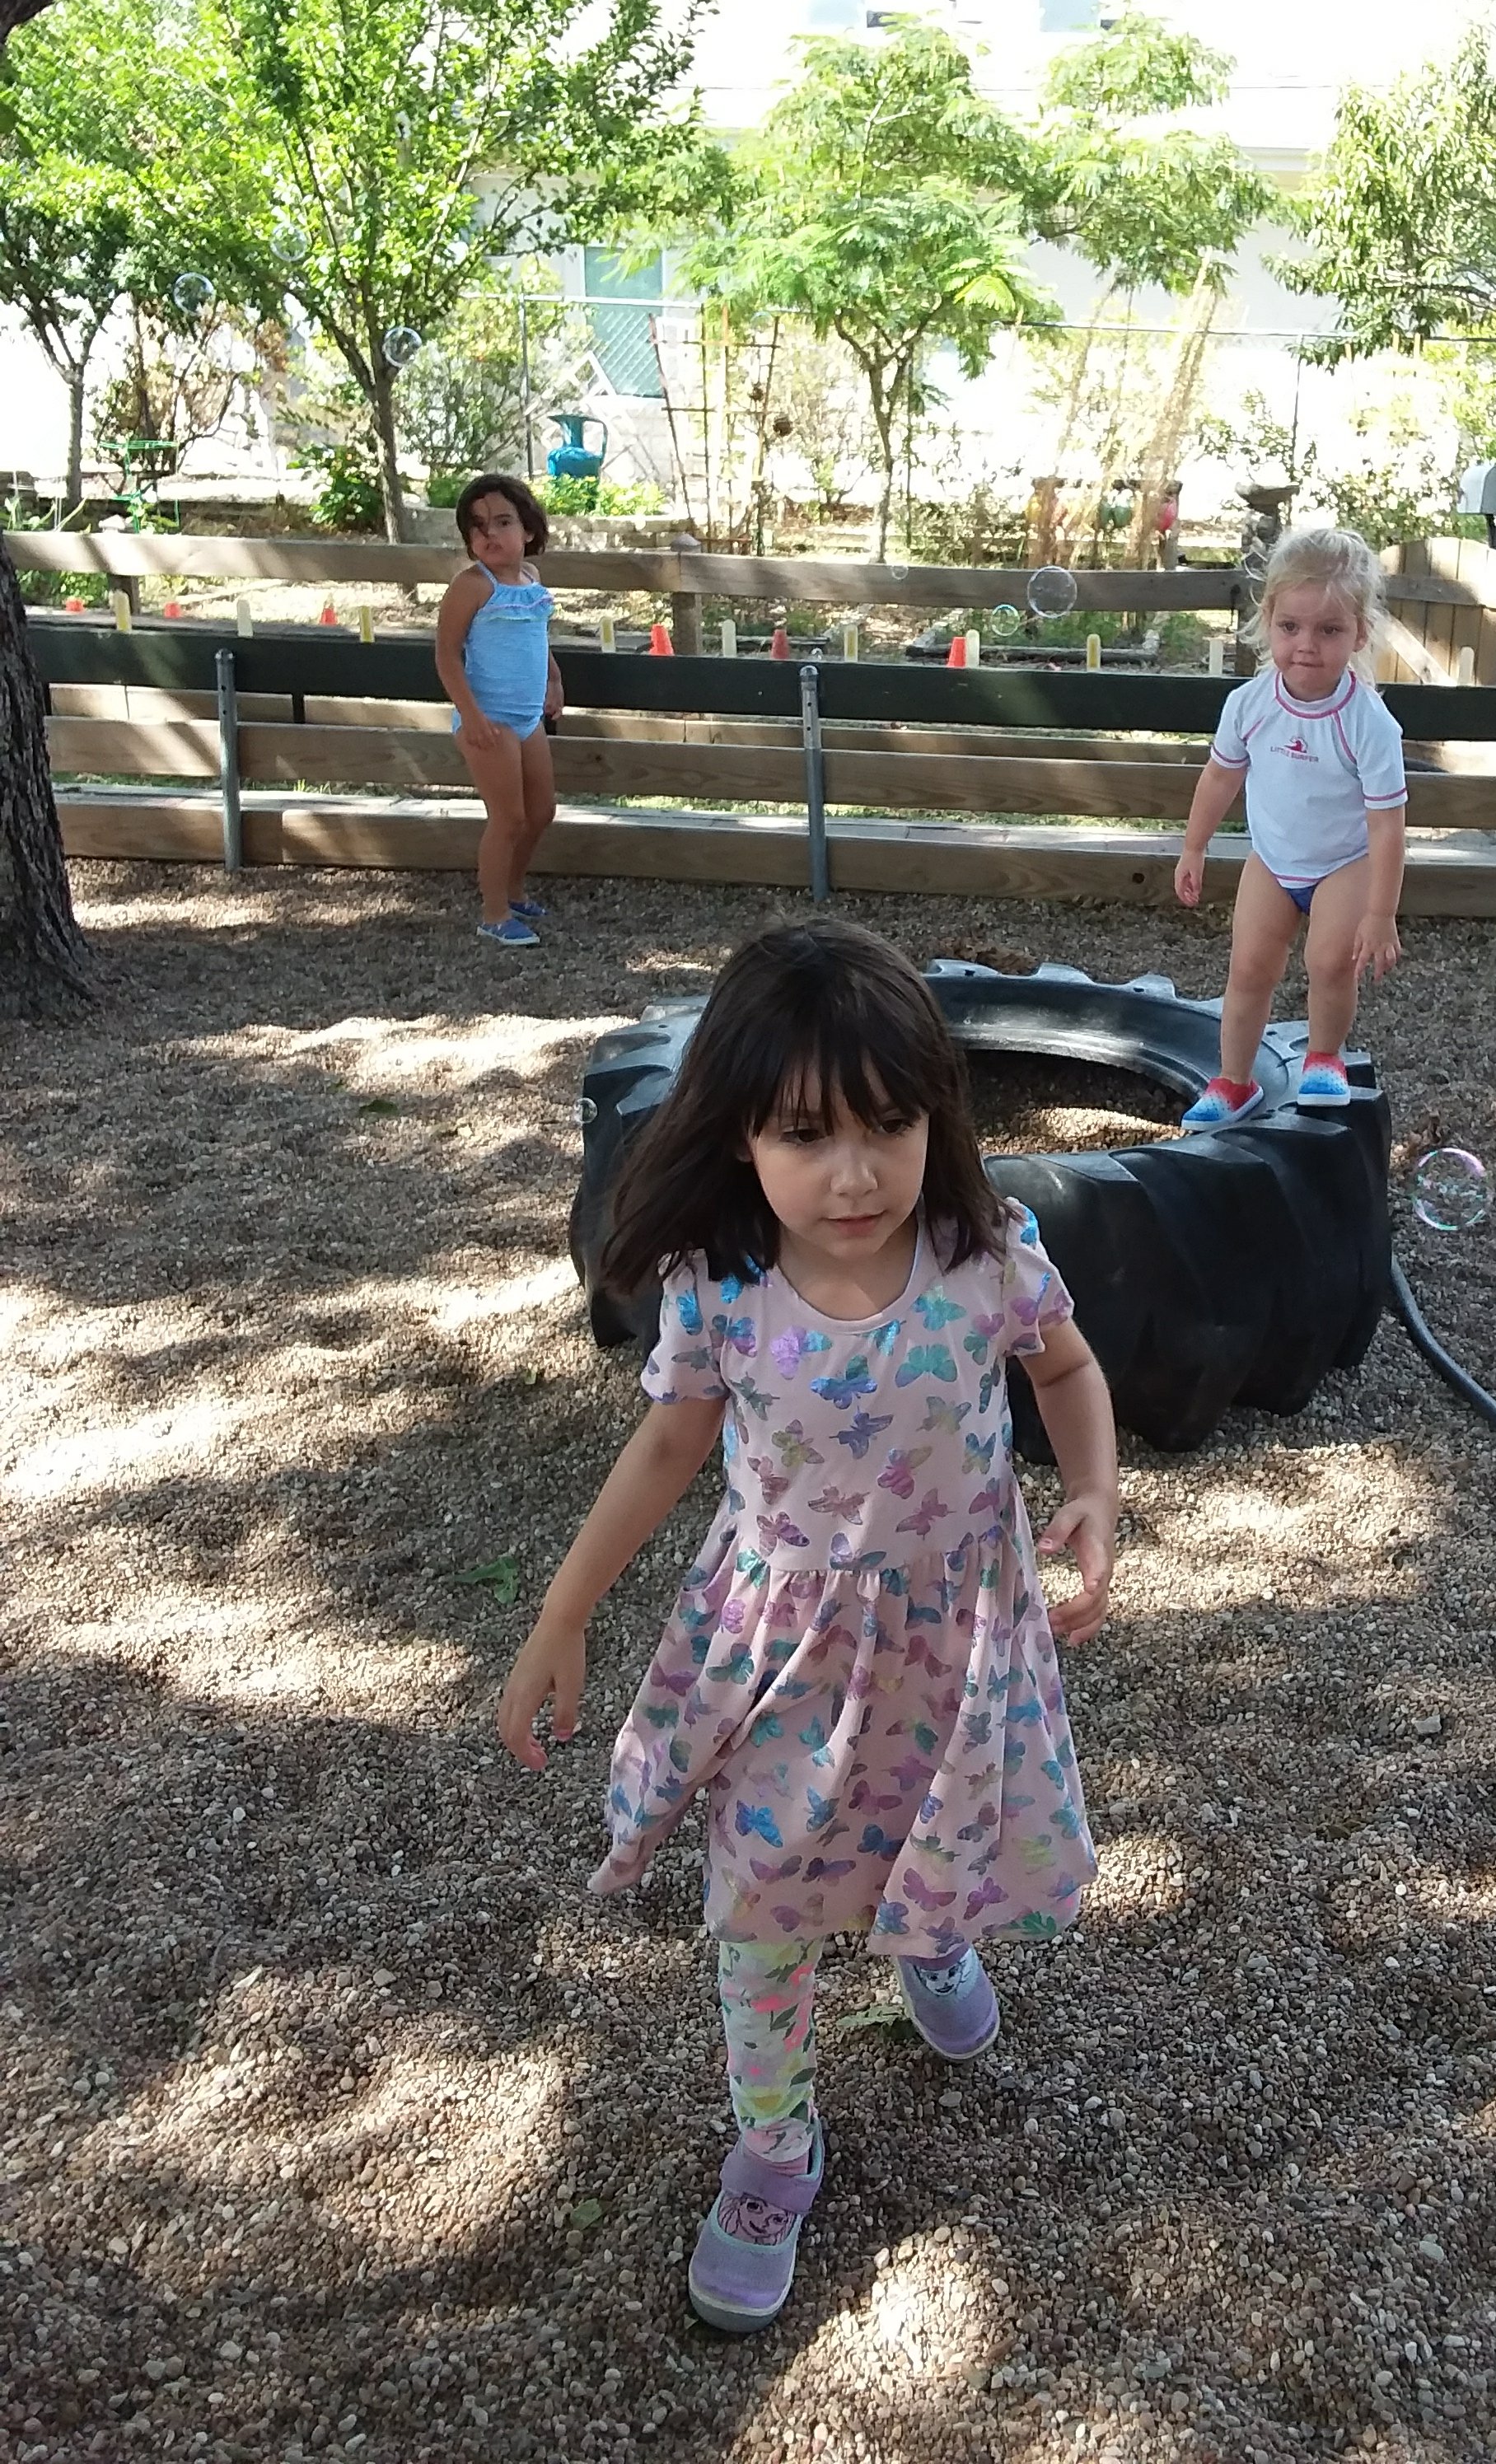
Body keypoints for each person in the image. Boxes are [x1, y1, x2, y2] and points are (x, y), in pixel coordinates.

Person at [496, 922, 1117, 2334]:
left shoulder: (984, 1256)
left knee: (929, 1828)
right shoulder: (721, 1289)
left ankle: (929, 1933)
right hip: (783, 1659)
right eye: (805, 1132)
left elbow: (1068, 1369)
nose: (856, 1172)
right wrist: (562, 1612)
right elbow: (666, 1448)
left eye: (890, 1124)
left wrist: (1093, 1490)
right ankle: (776, 2141)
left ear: (937, 1117)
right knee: (763, 1898)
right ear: (739, 1135)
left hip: (950, 1644)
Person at [1172, 525, 1408, 1126]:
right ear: (1268, 622)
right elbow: (1219, 778)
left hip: (1344, 864)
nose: (1307, 645)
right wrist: (1194, 847)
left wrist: (1381, 914)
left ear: (1359, 633)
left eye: (1329, 630)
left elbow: (1387, 826)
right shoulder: (1249, 705)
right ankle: (1234, 1082)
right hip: (1272, 861)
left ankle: (1324, 1058)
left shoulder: (1368, 722)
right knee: (1249, 967)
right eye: (1290, 627)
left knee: (1329, 963)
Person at [433, 473, 563, 947]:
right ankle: (493, 913)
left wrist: (554, 680)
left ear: (527, 529)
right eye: (478, 525)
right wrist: (471, 715)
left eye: (503, 522)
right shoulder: (471, 586)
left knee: (541, 811)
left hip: (527, 718)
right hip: (486, 718)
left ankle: (513, 889)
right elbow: (447, 655)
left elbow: (537, 636)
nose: (489, 533)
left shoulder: (531, 580)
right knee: (508, 817)